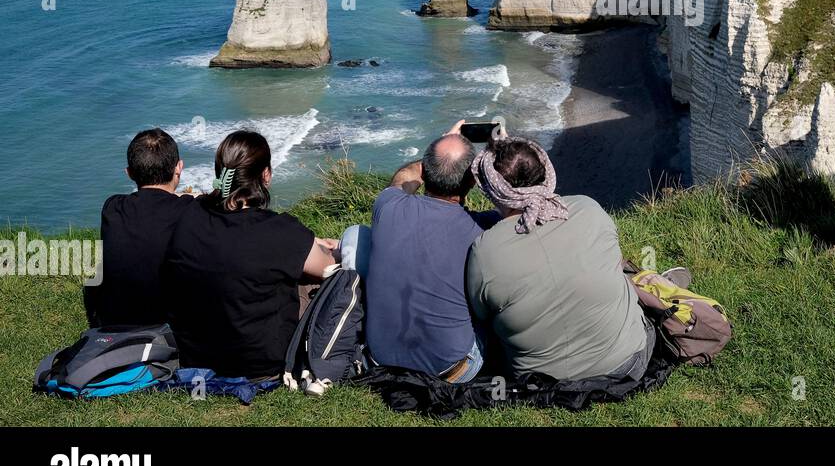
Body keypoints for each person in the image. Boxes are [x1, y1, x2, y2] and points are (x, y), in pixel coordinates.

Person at [466, 137, 655, 381]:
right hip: (627, 365)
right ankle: (656, 284)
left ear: (494, 190)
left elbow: (480, 314)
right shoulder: (588, 208)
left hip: (540, 384)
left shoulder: (485, 251)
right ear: (545, 172)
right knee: (621, 272)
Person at [162, 130, 337, 379]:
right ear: (265, 175)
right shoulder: (280, 230)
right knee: (328, 283)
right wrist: (334, 245)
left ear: (220, 174)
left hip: (196, 357)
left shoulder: (187, 216)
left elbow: (191, 198)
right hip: (262, 365)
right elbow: (328, 268)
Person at [365, 122, 498, 383]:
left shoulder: (388, 207)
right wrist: (499, 156)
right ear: (472, 179)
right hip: (450, 369)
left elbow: (403, 178)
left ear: (424, 171)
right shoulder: (484, 229)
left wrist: (441, 146)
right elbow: (518, 202)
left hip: (379, 359)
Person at [87, 128, 193, 326]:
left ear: (129, 173)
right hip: (170, 326)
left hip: (116, 322)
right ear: (179, 167)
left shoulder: (112, 207)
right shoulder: (191, 211)